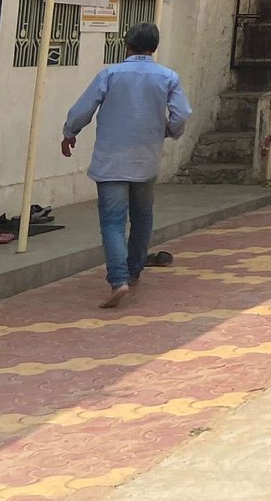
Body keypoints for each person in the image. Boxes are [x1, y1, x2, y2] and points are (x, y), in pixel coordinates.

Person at [62, 22, 190, 309]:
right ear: (154, 48)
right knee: (142, 217)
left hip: (111, 160)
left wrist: (69, 133)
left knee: (112, 222)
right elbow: (182, 114)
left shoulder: (110, 73)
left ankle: (117, 280)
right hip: (146, 159)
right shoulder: (168, 77)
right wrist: (169, 130)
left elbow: (82, 110)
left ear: (127, 45)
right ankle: (133, 273)